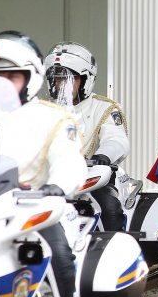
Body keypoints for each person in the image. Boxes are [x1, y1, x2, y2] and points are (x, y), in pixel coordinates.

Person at [0, 31, 88, 297]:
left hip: (31, 207)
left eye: (11, 75)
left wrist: (57, 187)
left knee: (57, 251)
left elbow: (70, 161)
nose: (2, 83)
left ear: (31, 78)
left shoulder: (53, 118)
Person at [44, 42, 129, 231]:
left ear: (85, 80)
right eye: (58, 79)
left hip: (91, 181)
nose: (62, 84)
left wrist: (103, 156)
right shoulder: (43, 110)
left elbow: (117, 140)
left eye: (69, 78)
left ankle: (114, 252)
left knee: (109, 207)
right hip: (49, 180)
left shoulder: (104, 107)